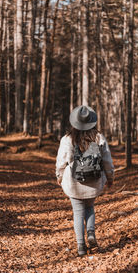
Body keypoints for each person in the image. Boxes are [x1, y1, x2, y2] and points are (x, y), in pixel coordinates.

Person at [55, 105, 114, 256]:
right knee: (90, 208)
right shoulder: (99, 138)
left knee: (78, 212)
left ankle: (81, 246)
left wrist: (59, 176)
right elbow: (107, 160)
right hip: (94, 181)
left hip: (74, 183)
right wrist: (110, 177)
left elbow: (61, 161)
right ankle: (91, 234)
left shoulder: (67, 139)